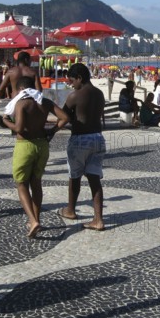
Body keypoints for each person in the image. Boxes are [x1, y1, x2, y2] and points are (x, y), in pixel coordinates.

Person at [0, 76, 69, 238]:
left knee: (21, 183)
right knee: (36, 183)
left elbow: (19, 128)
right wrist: (51, 131)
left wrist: (5, 122)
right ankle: (36, 218)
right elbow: (65, 118)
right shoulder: (44, 102)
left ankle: (32, 220)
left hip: (25, 146)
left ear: (20, 90)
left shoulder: (21, 103)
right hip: (42, 145)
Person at [57, 64, 107, 231]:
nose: (71, 85)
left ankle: (70, 210)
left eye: (72, 81)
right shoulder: (100, 94)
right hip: (98, 139)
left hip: (80, 140)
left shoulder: (75, 96)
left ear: (79, 78)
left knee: (75, 177)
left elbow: (63, 117)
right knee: (94, 179)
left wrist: (49, 130)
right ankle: (98, 219)